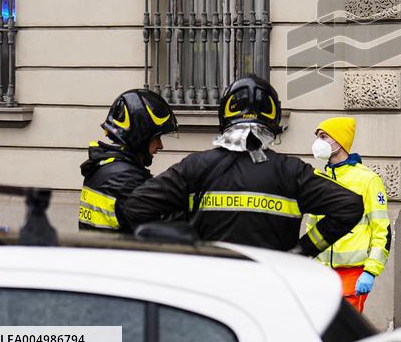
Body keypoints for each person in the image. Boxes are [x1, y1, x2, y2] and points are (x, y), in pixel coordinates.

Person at [115, 75, 363, 256]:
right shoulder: (291, 171)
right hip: (271, 288)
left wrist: (184, 245)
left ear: (224, 117)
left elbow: (136, 206)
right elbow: (350, 206)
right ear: (273, 121)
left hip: (210, 295)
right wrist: (302, 250)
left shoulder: (196, 167)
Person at [304, 117, 391, 312]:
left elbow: (382, 230)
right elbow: (312, 227)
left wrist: (370, 271)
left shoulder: (367, 179)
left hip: (352, 275)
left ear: (339, 141)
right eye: (318, 136)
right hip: (322, 274)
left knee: (344, 335)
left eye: (323, 136)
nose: (319, 142)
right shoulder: (319, 179)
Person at [79, 89, 179, 231]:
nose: (160, 145)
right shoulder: (126, 180)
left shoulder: (103, 166)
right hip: (117, 252)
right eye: (156, 138)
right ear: (140, 135)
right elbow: (159, 230)